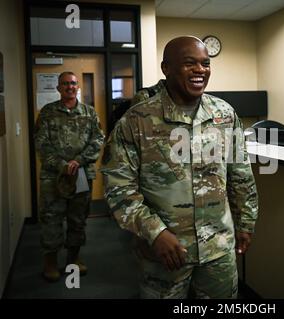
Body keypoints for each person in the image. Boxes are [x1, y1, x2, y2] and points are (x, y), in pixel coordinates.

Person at [101, 36, 258, 299]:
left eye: (206, 64)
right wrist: (155, 232)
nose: (200, 70)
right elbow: (119, 188)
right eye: (190, 63)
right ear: (166, 69)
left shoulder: (225, 114)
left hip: (218, 248)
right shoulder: (136, 121)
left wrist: (246, 222)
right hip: (164, 252)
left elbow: (240, 173)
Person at [34, 71, 104, 282]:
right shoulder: (47, 112)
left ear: (77, 87)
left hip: (81, 173)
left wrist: (79, 161)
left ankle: (73, 259)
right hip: (52, 175)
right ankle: (50, 262)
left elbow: (98, 140)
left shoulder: (89, 113)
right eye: (65, 84)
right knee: (51, 218)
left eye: (73, 84)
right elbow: (41, 143)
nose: (70, 87)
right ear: (58, 88)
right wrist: (62, 165)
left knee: (77, 218)